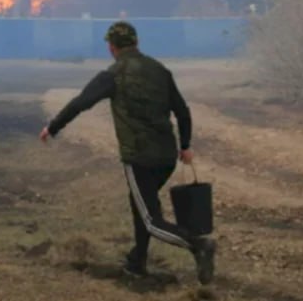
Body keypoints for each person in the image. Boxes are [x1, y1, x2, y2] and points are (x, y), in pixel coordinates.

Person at [39, 21, 216, 285]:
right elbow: (182, 110)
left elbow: (81, 103)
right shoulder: (160, 70)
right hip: (167, 156)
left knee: (150, 219)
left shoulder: (113, 74)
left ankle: (198, 246)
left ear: (112, 47)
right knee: (141, 205)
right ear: (136, 43)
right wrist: (186, 145)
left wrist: (53, 127)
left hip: (139, 157)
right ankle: (137, 262)